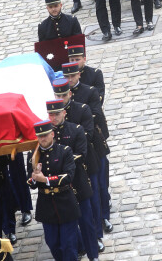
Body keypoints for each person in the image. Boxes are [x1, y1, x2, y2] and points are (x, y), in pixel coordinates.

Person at [61, 62, 111, 236]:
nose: (69, 80)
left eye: (72, 76)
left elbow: (95, 115)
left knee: (99, 187)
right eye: (66, 77)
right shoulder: (57, 103)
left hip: (92, 147)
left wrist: (76, 134)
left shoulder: (89, 92)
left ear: (78, 75)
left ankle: (104, 217)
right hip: (70, 153)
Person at [46, 99, 99, 261]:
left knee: (86, 222)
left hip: (77, 182)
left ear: (64, 113)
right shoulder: (46, 134)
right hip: (60, 188)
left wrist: (63, 164)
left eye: (57, 114)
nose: (54, 118)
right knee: (67, 223)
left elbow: (81, 155)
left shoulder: (76, 130)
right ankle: (79, 247)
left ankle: (93, 254)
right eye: (51, 114)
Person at [26, 120, 81, 261]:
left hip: (65, 203)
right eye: (39, 136)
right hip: (46, 205)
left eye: (45, 135)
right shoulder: (33, 156)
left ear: (52, 134)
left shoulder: (64, 151)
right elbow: (30, 183)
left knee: (68, 245)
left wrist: (45, 180)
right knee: (53, 243)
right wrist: (34, 177)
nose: (42, 139)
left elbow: (68, 176)